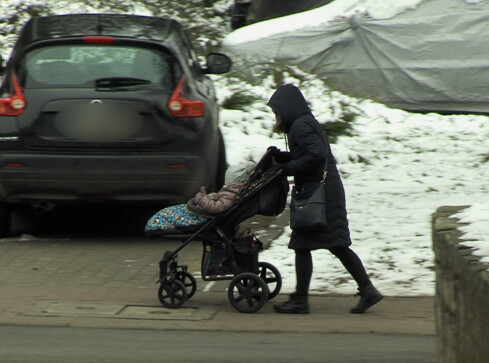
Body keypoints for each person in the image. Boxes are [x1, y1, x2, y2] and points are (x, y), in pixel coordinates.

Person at [267, 84, 383, 314]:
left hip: (320, 193)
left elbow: (317, 155)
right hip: (323, 190)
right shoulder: (302, 124)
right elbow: (310, 153)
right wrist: (283, 157)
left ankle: (301, 300)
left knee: (307, 244)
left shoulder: (300, 126)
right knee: (333, 244)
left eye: (277, 112)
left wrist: (287, 168)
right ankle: (367, 290)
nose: (276, 117)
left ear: (287, 109)